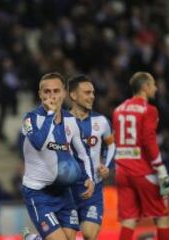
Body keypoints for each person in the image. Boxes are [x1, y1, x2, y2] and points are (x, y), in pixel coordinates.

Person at [21, 72, 94, 240]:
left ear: (64, 93)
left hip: (63, 192)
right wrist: (50, 115)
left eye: (56, 91)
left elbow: (82, 153)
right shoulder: (30, 119)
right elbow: (39, 142)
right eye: (47, 92)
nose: (51, 96)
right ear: (40, 94)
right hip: (38, 193)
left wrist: (89, 176)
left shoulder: (71, 121)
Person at [112, 72, 169, 240]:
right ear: (145, 87)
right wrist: (160, 168)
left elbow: (116, 138)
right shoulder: (149, 110)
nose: (156, 88)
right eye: (153, 84)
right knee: (162, 215)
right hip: (142, 171)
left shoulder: (118, 110)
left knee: (129, 219)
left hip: (122, 171)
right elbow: (148, 140)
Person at [67, 75, 115, 240]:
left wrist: (106, 165)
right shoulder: (61, 122)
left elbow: (112, 145)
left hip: (93, 190)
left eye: (93, 93)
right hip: (67, 191)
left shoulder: (101, 121)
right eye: (87, 93)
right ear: (73, 95)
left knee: (89, 234)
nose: (92, 96)